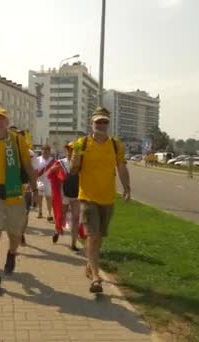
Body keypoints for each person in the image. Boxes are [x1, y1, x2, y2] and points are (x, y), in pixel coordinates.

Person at [70, 106, 131, 294]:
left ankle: (90, 263)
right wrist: (76, 158)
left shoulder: (115, 145)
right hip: (88, 197)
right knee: (93, 236)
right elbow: (73, 170)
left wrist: (127, 188)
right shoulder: (82, 143)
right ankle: (96, 278)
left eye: (105, 122)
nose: (102, 125)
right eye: (98, 122)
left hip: (107, 198)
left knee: (98, 237)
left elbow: (121, 167)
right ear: (92, 123)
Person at [0, 107, 37, 296]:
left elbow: (28, 165)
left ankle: (12, 253)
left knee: (15, 234)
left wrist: (35, 189)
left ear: (7, 121)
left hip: (15, 194)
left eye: (2, 119)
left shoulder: (17, 140)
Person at [47, 142, 80, 250]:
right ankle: (57, 230)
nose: (71, 151)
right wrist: (56, 171)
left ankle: (73, 244)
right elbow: (50, 173)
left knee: (76, 219)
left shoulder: (81, 163)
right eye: (69, 149)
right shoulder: (61, 162)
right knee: (61, 216)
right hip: (64, 194)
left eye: (73, 149)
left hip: (77, 195)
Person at [36, 145, 55, 222]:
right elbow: (35, 170)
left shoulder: (53, 160)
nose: (45, 152)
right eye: (44, 150)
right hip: (40, 180)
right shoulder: (37, 159)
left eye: (47, 150)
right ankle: (40, 212)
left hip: (49, 181)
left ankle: (49, 214)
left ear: (49, 151)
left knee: (48, 198)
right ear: (41, 151)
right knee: (39, 197)